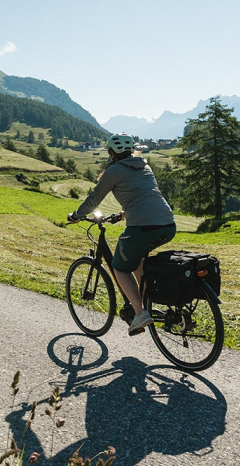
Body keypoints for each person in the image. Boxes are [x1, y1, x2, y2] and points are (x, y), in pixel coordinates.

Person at [68, 133, 176, 335]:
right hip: (168, 224)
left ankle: (139, 313)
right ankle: (145, 303)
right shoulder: (145, 165)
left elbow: (94, 199)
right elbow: (145, 194)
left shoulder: (115, 170)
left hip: (143, 226)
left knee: (119, 267)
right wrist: (126, 212)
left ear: (111, 152)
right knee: (136, 262)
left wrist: (76, 215)